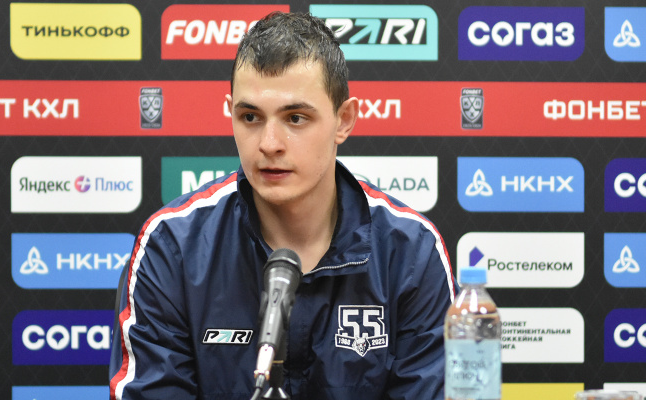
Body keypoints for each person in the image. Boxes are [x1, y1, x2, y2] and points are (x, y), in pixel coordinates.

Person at [110, 11, 455, 400]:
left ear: (344, 120)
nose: (269, 144)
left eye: (295, 118)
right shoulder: (172, 247)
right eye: (250, 117)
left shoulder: (410, 253)